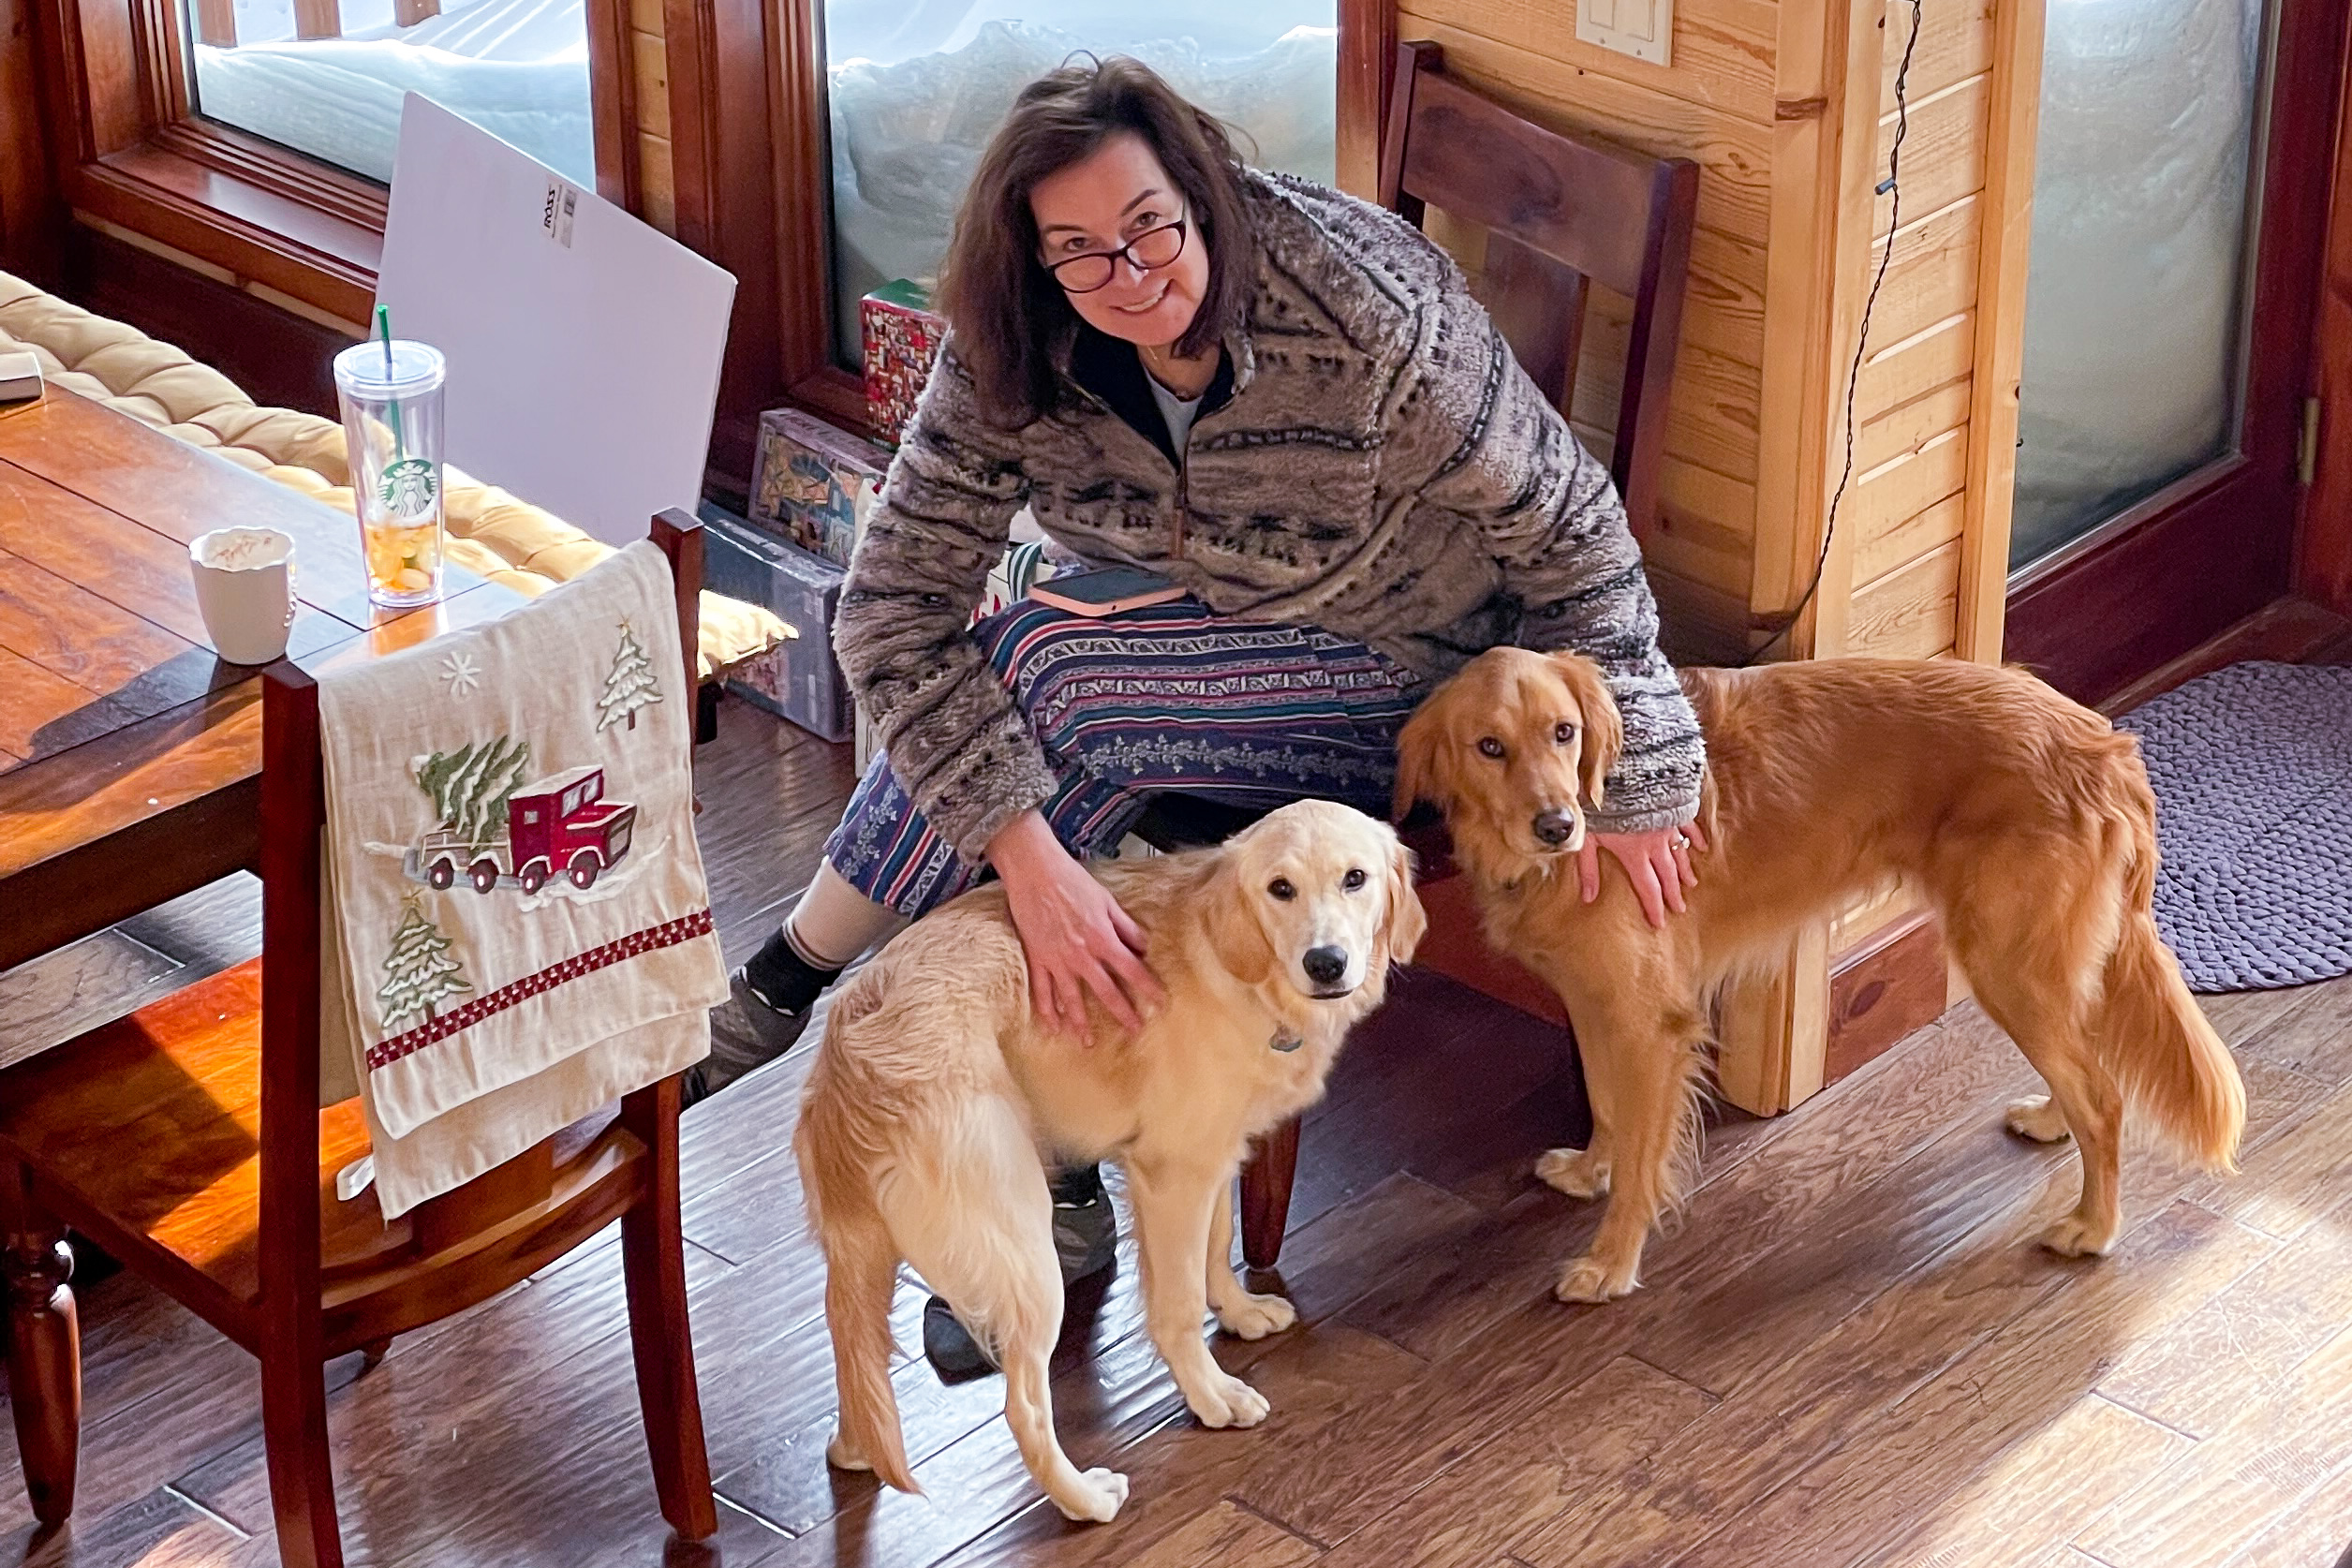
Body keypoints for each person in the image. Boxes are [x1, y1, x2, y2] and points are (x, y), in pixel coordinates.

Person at [696, 55, 1707, 1375]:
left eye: (1148, 228)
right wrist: (1027, 859)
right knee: (1038, 719)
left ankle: (795, 986)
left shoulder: (1361, 302)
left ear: (1206, 192)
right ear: (1033, 260)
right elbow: (890, 605)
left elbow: (1573, 524)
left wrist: (1642, 784)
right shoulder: (1013, 335)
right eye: (1076, 252)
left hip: (1410, 667)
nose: (1123, 273)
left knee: (1051, 680)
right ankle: (1052, 1166)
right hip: (1177, 620)